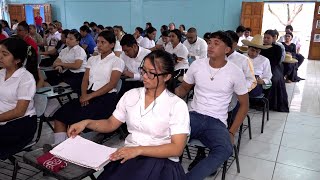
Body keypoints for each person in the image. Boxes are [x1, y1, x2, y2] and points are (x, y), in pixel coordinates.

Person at [68, 50, 189, 180]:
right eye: (143, 70)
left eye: (151, 73)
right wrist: (87, 122)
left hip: (161, 160)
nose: (145, 77)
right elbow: (111, 124)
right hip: (132, 155)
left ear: (167, 77)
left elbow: (177, 148)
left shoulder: (176, 105)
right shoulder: (131, 95)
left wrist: (139, 150)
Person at [175, 31, 249, 180]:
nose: (210, 46)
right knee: (168, 137)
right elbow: (183, 89)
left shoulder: (235, 72)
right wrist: (166, 91)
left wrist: (232, 132)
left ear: (227, 49)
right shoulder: (197, 65)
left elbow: (244, 105)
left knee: (225, 149)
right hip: (193, 116)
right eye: (209, 43)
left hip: (216, 122)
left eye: (216, 43)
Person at [52, 31, 124, 144]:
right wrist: (84, 95)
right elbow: (85, 80)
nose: (99, 45)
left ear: (112, 44)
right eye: (98, 42)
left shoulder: (117, 61)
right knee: (60, 115)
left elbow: (112, 84)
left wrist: (89, 96)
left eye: (103, 42)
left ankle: (69, 148)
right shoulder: (92, 59)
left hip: (105, 98)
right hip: (88, 94)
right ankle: (58, 146)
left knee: (78, 119)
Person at [0, 38, 38, 159]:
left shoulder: (25, 78)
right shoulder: (1, 73)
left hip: (20, 124)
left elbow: (19, 111)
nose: (0, 56)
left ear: (17, 60)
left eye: (5, 54)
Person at [260, 30, 289, 112]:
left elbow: (276, 61)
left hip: (273, 67)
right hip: (261, 67)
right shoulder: (260, 47)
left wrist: (266, 69)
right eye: (264, 37)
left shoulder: (277, 48)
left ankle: (270, 103)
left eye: (268, 38)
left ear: (273, 38)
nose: (265, 39)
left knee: (273, 80)